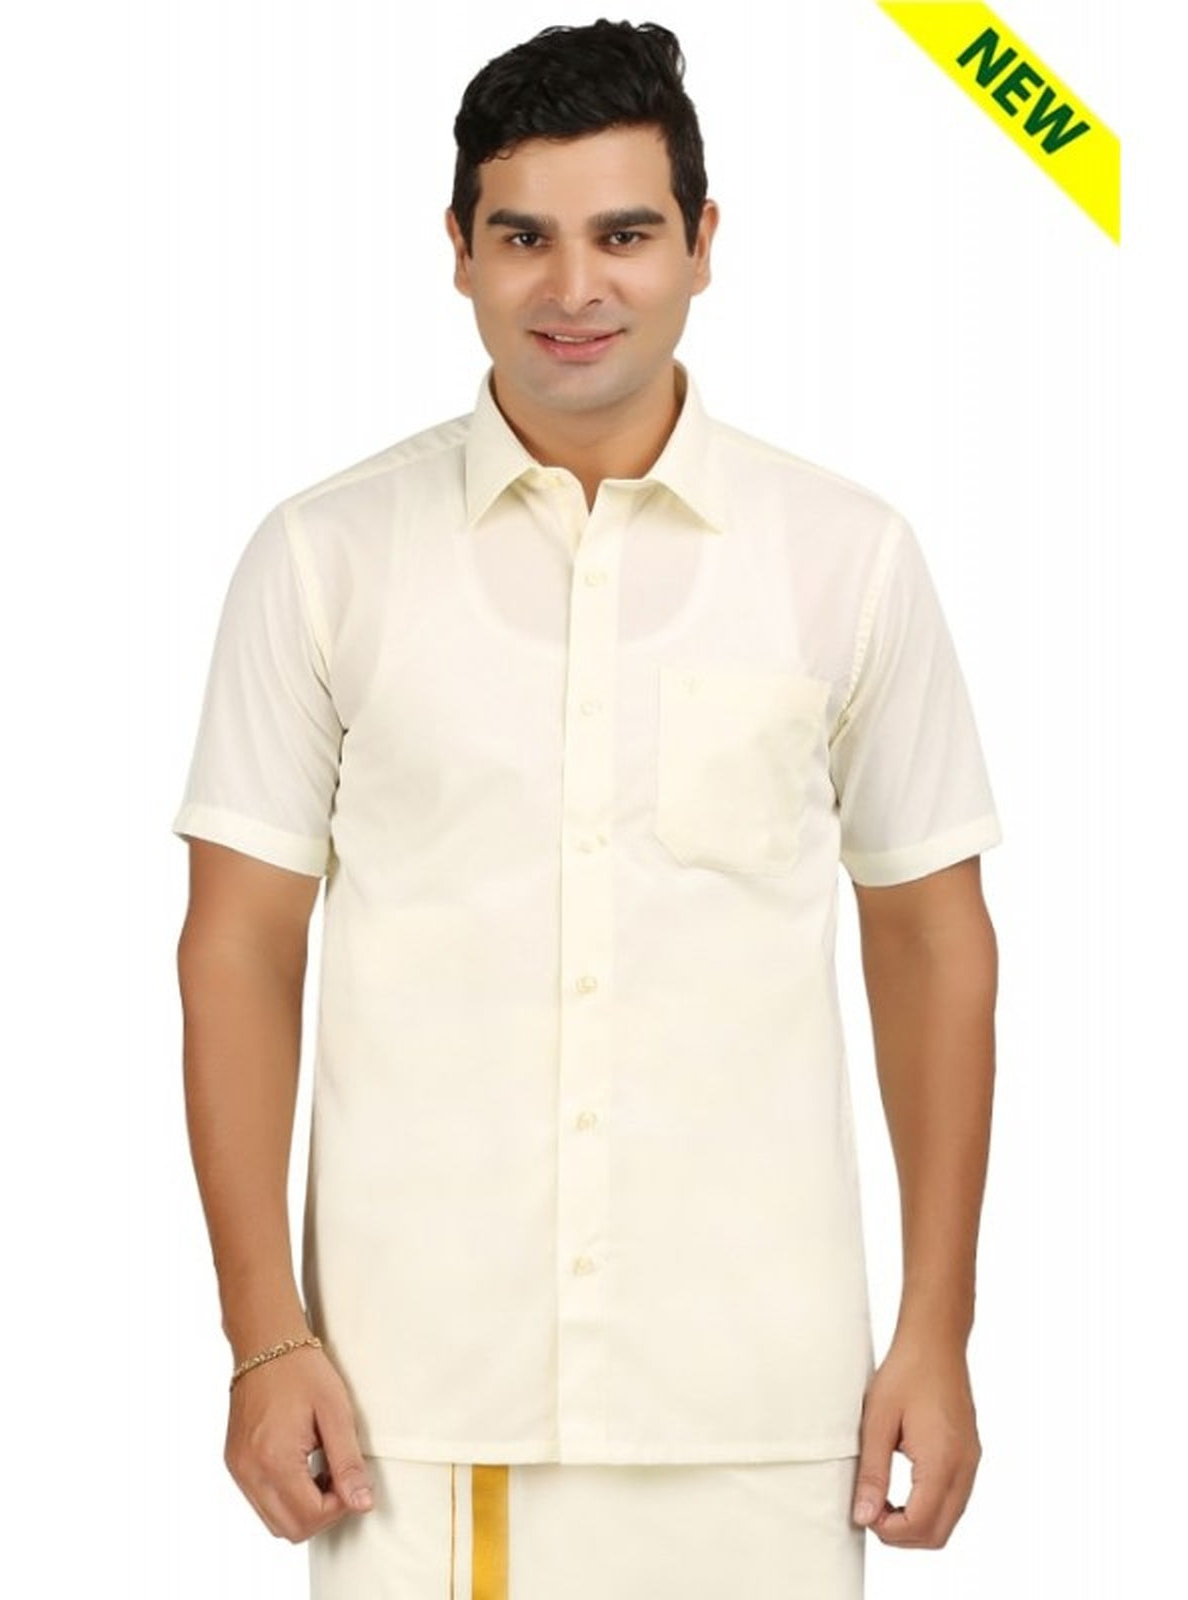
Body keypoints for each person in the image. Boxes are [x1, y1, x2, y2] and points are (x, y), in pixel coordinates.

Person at [174, 19, 1001, 1600]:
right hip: (416, 1417)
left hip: (766, 1411)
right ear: (459, 251)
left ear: (702, 242)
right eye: (524, 238)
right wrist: (263, 1337)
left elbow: (932, 944)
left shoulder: (845, 557)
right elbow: (238, 950)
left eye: (624, 234)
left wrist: (938, 1329)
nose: (574, 287)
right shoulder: (326, 560)